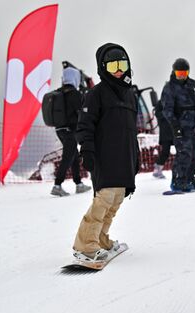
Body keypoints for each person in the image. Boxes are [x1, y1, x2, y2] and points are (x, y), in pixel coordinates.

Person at [74, 43, 139, 261]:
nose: (119, 70)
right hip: (105, 155)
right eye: (113, 66)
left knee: (116, 198)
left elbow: (132, 130)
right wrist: (87, 151)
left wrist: (135, 157)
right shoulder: (96, 94)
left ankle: (100, 238)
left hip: (124, 156)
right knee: (104, 199)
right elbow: (85, 125)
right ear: (104, 68)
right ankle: (85, 245)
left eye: (122, 64)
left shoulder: (130, 94)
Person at [160, 58, 195, 192]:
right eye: (179, 73)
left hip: (194, 127)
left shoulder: (192, 84)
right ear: (174, 72)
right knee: (184, 154)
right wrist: (175, 127)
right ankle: (178, 181)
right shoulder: (170, 88)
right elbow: (167, 110)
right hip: (182, 128)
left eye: (184, 74)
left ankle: (189, 179)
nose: (182, 77)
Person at [50, 67, 92, 196]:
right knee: (68, 157)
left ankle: (78, 184)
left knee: (73, 155)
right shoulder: (74, 93)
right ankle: (57, 185)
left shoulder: (59, 92)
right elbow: (81, 111)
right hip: (70, 131)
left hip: (60, 130)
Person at [151, 99, 173, 179]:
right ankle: (157, 170)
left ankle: (182, 172)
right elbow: (158, 114)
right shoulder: (160, 103)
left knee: (181, 152)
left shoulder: (175, 101)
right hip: (165, 133)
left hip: (176, 131)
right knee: (165, 152)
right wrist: (168, 114)